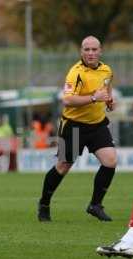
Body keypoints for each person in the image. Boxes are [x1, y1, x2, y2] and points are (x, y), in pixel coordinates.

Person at [37, 36, 116, 222]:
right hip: (72, 126)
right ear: (81, 52)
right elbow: (67, 99)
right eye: (86, 50)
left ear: (100, 51)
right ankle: (44, 204)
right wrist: (94, 98)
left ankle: (95, 205)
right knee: (63, 166)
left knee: (110, 161)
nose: (90, 53)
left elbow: (107, 88)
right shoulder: (76, 73)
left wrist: (109, 101)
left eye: (94, 49)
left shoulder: (106, 70)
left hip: (97, 124)